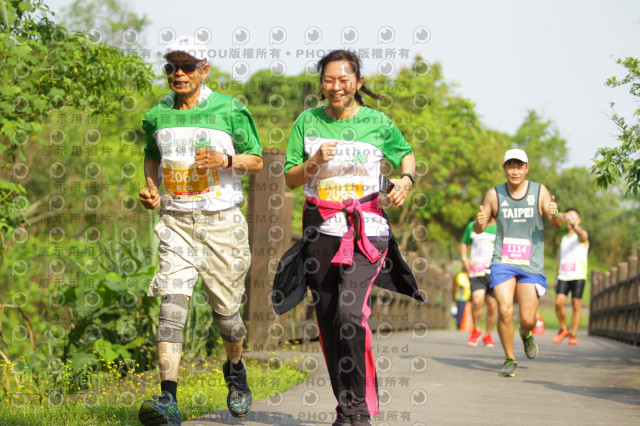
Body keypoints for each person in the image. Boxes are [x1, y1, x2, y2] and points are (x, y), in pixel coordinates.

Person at [272, 50, 424, 426]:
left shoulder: (378, 122)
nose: (335, 86)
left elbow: (406, 156)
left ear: (357, 82)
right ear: (321, 84)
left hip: (366, 231)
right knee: (328, 320)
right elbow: (290, 179)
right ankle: (347, 408)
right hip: (320, 231)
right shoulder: (307, 122)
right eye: (328, 79)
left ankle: (360, 410)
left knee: (350, 314)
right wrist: (313, 162)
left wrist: (406, 181)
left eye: (343, 80)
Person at [137, 35, 263, 425]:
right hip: (176, 225)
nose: (178, 73)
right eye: (171, 66)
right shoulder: (157, 114)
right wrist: (152, 189)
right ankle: (167, 398)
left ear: (204, 70)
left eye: (187, 66)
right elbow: (151, 157)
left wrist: (226, 159)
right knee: (171, 308)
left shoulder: (230, 109)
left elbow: (256, 160)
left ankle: (236, 371)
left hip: (221, 224)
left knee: (227, 316)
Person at [474, 148, 562, 377]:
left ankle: (526, 334)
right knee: (504, 309)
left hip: (531, 263)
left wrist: (555, 213)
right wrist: (479, 222)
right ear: (504, 168)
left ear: (526, 168)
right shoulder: (494, 195)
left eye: (519, 166)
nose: (515, 171)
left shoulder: (539, 191)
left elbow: (556, 224)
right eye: (510, 166)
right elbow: (479, 228)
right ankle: (510, 358)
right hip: (503, 261)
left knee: (527, 318)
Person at [552, 208, 589, 345]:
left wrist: (575, 226)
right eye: (568, 217)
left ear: (578, 220)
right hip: (563, 276)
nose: (570, 219)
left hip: (578, 275)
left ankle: (573, 333)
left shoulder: (581, 236)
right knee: (558, 302)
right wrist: (556, 278)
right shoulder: (563, 239)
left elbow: (583, 236)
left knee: (576, 304)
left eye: (573, 217)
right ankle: (563, 328)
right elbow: (559, 259)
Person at [460, 218, 498, 346]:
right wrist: (464, 258)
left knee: (492, 305)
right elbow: (464, 242)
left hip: (495, 271)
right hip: (477, 269)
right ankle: (476, 329)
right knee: (477, 300)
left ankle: (488, 334)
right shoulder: (473, 225)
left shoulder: (502, 227)